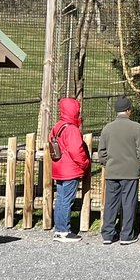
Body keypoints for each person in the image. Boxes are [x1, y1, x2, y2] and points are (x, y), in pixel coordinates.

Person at [96, 95, 140, 245]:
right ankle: (126, 235)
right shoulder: (137, 128)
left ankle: (108, 234)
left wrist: (107, 163)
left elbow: (102, 152)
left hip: (112, 171)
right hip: (130, 172)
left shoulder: (107, 128)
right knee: (128, 203)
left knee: (111, 203)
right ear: (128, 110)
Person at [48, 97, 89, 241]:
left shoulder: (57, 126)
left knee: (60, 199)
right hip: (70, 169)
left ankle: (59, 228)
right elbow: (76, 150)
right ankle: (64, 230)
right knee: (67, 200)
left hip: (59, 168)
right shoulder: (72, 129)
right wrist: (85, 163)